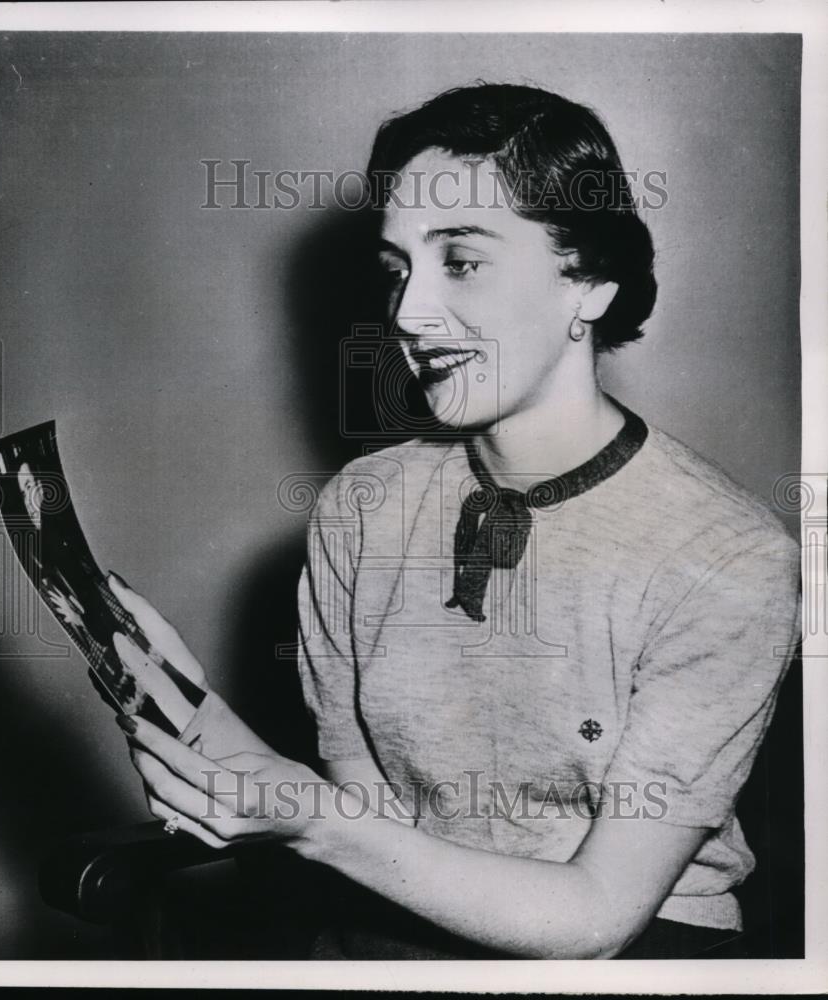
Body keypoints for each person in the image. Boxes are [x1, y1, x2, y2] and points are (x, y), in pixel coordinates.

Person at [110, 83, 801, 960]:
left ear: (586, 284)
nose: (406, 313)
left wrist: (309, 822)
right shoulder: (363, 509)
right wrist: (183, 713)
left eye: (461, 261)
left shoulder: (727, 556)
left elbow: (595, 918)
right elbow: (366, 826)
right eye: (397, 268)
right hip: (396, 932)